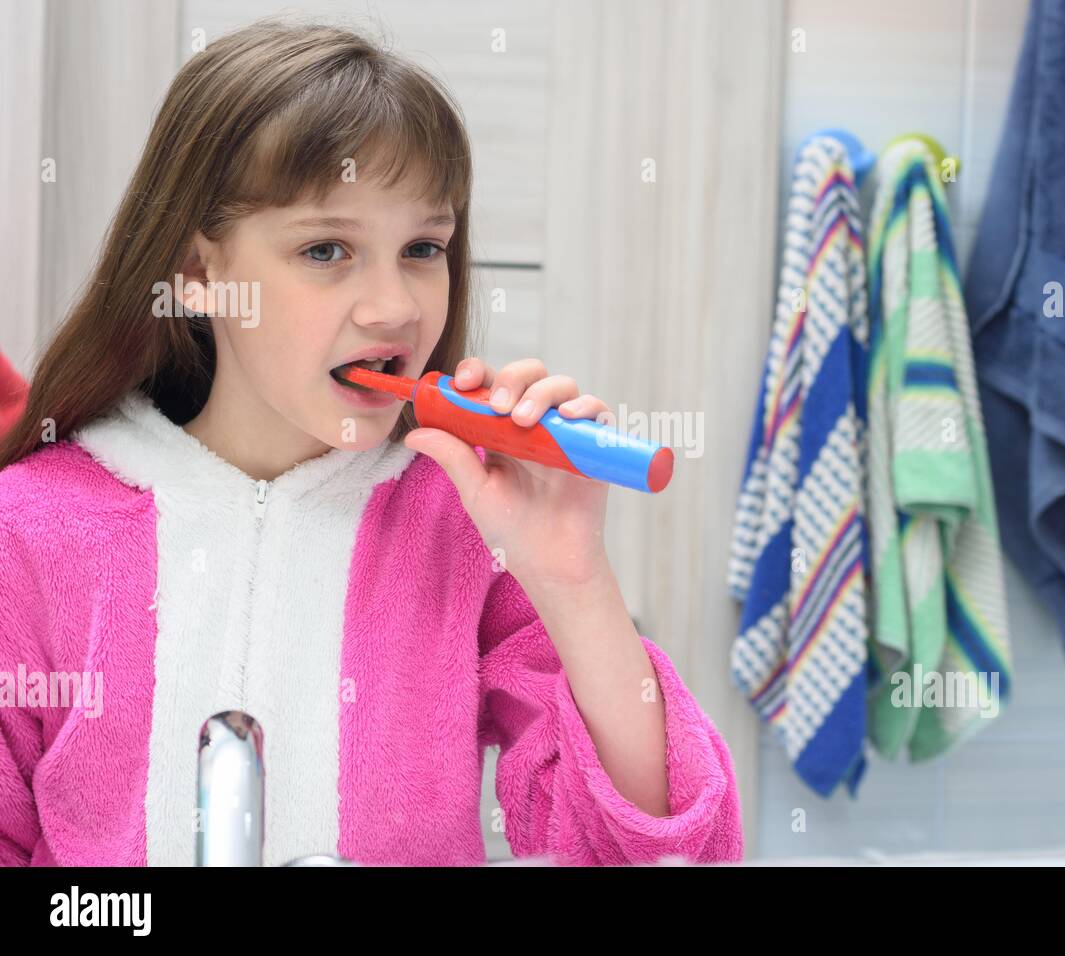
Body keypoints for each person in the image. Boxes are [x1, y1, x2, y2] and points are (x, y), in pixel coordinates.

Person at [0, 19, 742, 867]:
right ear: (199, 274)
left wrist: (573, 575)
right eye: (327, 249)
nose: (395, 306)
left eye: (423, 247)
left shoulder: (462, 523)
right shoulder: (30, 529)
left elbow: (662, 850)